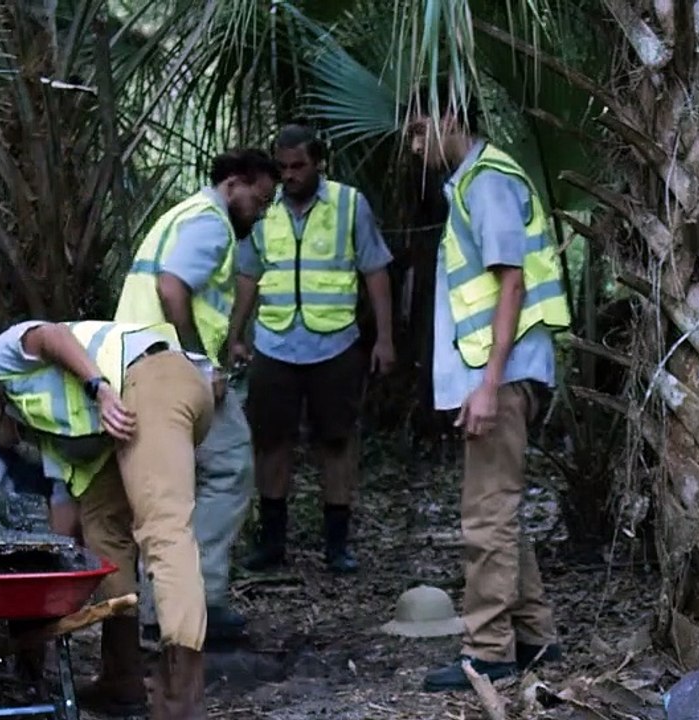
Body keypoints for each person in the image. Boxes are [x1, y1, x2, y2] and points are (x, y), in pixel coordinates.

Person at [403, 89, 571, 692]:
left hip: (502, 374)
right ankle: (534, 635)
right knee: (497, 510)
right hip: (500, 371)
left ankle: (488, 651)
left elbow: (512, 284)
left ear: (450, 117)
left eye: (419, 130)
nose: (414, 146)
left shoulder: (487, 181)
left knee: (486, 516)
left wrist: (489, 384)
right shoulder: (475, 182)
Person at [0, 319, 219, 719]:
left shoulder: (0, 359)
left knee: (163, 529)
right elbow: (64, 525)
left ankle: (182, 697)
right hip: (131, 411)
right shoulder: (47, 429)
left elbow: (52, 335)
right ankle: (122, 678)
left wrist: (99, 389)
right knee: (101, 527)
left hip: (154, 380)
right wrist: (35, 606)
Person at [113, 148, 280, 644]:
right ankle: (197, 599)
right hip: (170, 368)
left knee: (169, 491)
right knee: (229, 465)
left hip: (139, 362)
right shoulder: (210, 222)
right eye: (259, 199)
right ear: (234, 184)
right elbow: (172, 287)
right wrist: (199, 361)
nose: (260, 211)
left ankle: (164, 610)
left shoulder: (183, 214)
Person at [228, 123, 395, 575]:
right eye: (282, 167)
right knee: (271, 442)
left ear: (319, 162)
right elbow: (248, 275)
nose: (289, 175)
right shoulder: (265, 209)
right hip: (274, 344)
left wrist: (384, 338)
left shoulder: (349, 204)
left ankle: (337, 545)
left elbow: (375, 271)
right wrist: (236, 336)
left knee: (336, 441)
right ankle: (272, 544)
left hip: (335, 343)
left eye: (298, 166)